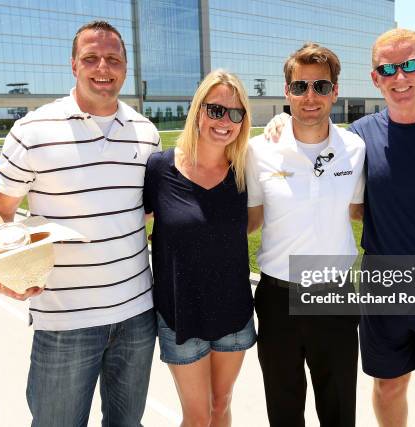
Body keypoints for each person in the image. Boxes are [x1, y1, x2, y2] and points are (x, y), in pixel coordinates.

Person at [265, 29, 415, 427]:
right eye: (387, 69)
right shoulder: (357, 138)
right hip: (384, 297)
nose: (400, 77)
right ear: (375, 78)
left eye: (410, 65)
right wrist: (282, 120)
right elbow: (314, 144)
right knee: (388, 390)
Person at [0, 21, 159, 426]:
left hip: (136, 316)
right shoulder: (32, 131)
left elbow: (138, 209)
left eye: (113, 59)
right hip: (64, 320)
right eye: (91, 58)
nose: (102, 68)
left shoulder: (146, 134)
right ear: (73, 65)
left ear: (125, 67)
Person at [246, 43, 366, 426]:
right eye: (300, 87)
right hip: (277, 298)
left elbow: (358, 211)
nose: (309, 96)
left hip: (335, 295)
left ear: (335, 90)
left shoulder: (355, 148)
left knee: (339, 410)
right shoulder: (257, 150)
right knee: (283, 411)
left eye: (320, 86)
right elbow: (248, 220)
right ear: (287, 92)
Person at [143, 70, 255, 427]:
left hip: (233, 312)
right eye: (216, 110)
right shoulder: (160, 168)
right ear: (198, 111)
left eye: (235, 114)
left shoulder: (245, 168)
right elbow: (133, 224)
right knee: (197, 415)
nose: (225, 121)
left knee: (221, 405)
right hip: (180, 312)